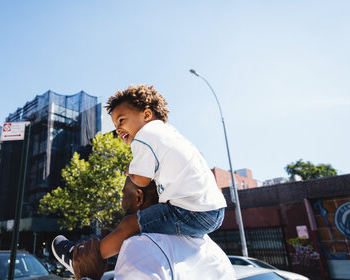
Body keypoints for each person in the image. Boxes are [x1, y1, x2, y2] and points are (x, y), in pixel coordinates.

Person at [52, 84, 227, 274]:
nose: (118, 129)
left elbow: (142, 181)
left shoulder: (144, 136)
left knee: (130, 224)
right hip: (214, 210)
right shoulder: (171, 134)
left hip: (193, 212)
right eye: (116, 125)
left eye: (121, 120)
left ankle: (82, 257)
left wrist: (130, 172)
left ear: (146, 115)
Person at [71, 177, 235, 280]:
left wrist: (88, 276)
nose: (121, 204)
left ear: (138, 197)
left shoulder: (142, 246)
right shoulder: (215, 252)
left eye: (123, 195)